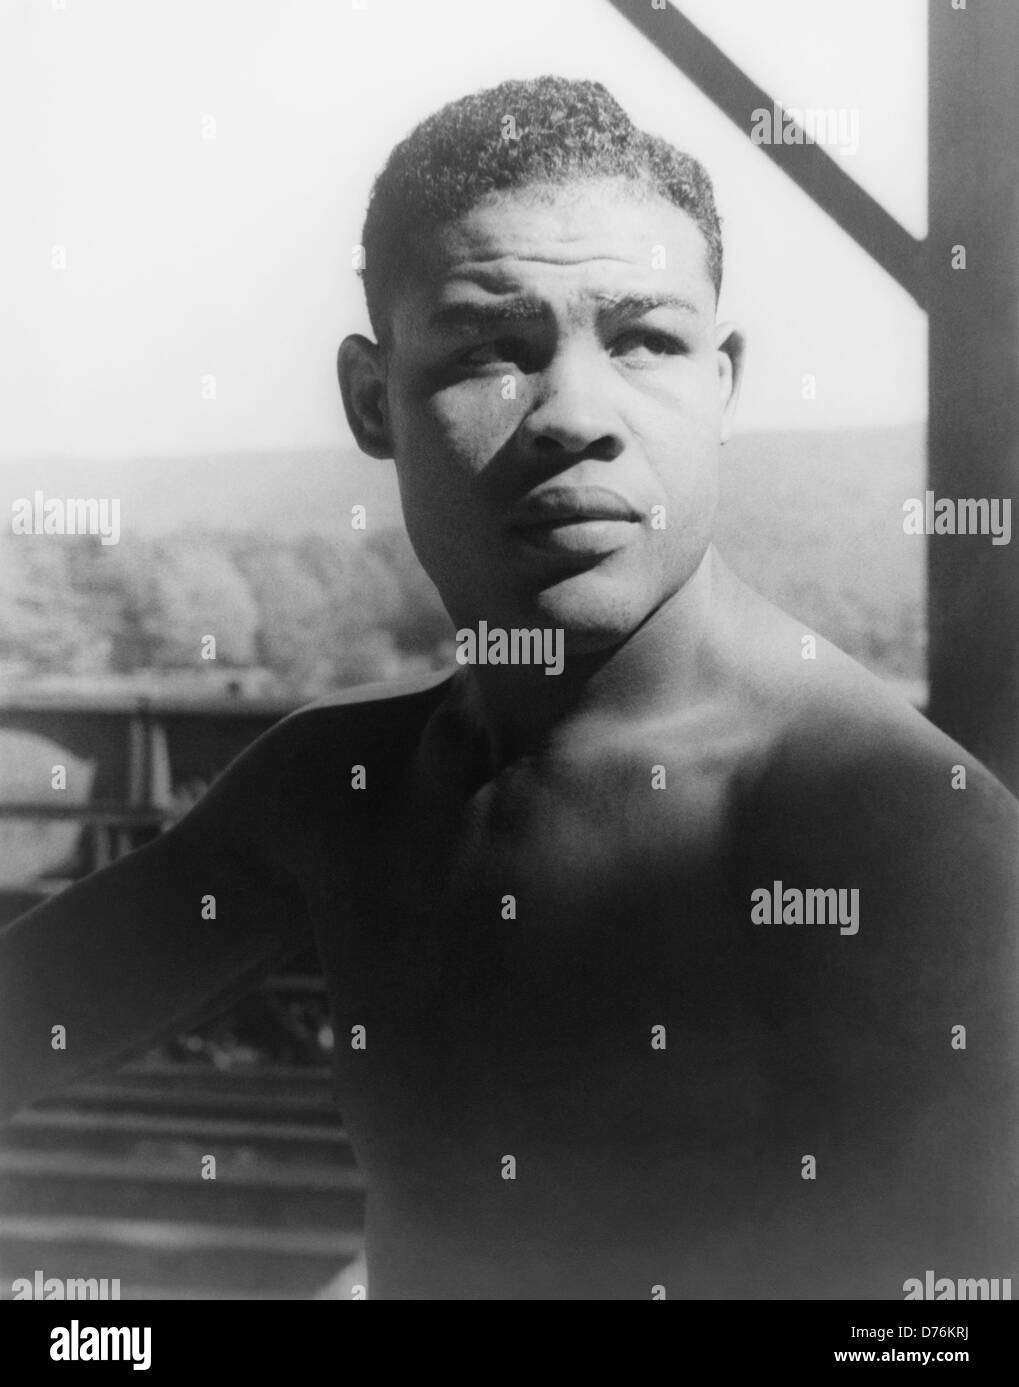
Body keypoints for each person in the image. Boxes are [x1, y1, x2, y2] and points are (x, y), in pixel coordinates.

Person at [2, 77, 1016, 1301]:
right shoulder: (340, 789)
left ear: (723, 382)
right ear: (372, 401)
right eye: (490, 346)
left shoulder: (901, 837)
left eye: (646, 338)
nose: (576, 415)